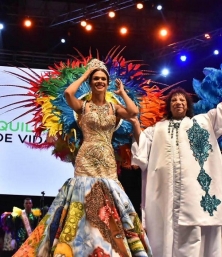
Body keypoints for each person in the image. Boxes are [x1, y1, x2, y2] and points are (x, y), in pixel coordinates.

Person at [13, 59, 152, 257]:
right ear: (90, 82)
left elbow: (133, 112)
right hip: (86, 158)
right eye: (96, 78)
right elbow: (68, 93)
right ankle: (79, 247)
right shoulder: (83, 107)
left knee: (110, 202)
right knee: (82, 203)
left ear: (107, 82)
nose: (100, 81)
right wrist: (86, 74)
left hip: (106, 158)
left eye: (103, 78)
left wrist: (122, 93)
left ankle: (109, 247)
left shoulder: (114, 108)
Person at [130, 73, 222, 257]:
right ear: (169, 106)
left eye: (182, 100)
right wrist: (135, 123)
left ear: (187, 104)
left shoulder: (201, 122)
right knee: (164, 233)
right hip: (165, 196)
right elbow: (142, 147)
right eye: (174, 100)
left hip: (194, 195)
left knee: (195, 235)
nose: (178, 102)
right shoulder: (157, 129)